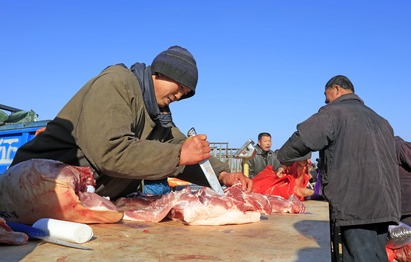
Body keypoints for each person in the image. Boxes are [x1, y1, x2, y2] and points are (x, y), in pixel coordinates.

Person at [11, 45, 252, 200]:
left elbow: (181, 148)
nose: (179, 96)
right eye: (179, 87)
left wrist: (223, 174)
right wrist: (178, 154)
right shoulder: (116, 84)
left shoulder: (157, 114)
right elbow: (111, 152)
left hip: (82, 198)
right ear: (161, 72)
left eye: (185, 93)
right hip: (36, 188)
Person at [278, 75, 401, 262]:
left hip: (358, 203)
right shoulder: (381, 120)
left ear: (336, 89)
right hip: (385, 203)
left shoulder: (334, 112)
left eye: (327, 96)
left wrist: (284, 158)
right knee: (377, 255)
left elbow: (303, 138)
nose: (326, 101)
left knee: (361, 257)